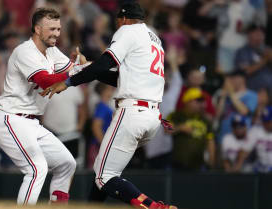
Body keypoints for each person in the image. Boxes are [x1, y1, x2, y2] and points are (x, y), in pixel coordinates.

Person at [41, 3, 177, 209]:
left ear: (123, 19)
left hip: (132, 113)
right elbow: (118, 79)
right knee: (104, 175)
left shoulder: (128, 31)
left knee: (105, 176)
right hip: (151, 117)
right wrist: (87, 66)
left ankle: (153, 207)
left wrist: (68, 81)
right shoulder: (154, 40)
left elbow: (104, 64)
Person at [0, 8, 79, 205]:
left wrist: (103, 66)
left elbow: (76, 70)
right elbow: (46, 80)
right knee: (36, 168)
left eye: (58, 28)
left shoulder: (52, 51)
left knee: (66, 163)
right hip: (10, 118)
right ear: (38, 29)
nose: (56, 33)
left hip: (31, 123)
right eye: (52, 28)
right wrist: (76, 70)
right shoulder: (24, 51)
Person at [169, 88, 216, 171]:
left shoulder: (205, 119)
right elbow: (166, 130)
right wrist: (180, 128)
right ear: (188, 101)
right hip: (178, 165)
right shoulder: (176, 115)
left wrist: (211, 160)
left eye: (202, 101)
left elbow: (210, 140)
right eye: (198, 101)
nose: (202, 104)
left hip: (199, 165)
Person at [243, 106, 272, 173]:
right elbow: (244, 152)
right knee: (247, 168)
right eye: (265, 121)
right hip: (261, 170)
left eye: (268, 121)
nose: (265, 124)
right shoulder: (255, 131)